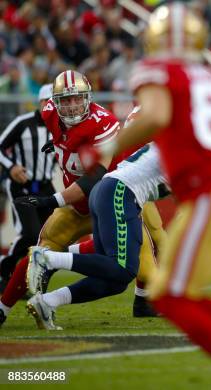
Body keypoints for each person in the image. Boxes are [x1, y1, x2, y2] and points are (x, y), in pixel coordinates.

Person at [79, 4, 211, 389]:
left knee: (169, 299)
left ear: (153, 40)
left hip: (206, 197)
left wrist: (105, 151)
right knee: (172, 291)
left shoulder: (158, 72)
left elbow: (153, 116)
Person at [0, 71, 155, 328]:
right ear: (55, 103)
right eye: (66, 100)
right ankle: (3, 308)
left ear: (89, 99)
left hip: (107, 200)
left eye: (77, 99)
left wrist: (52, 200)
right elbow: (45, 114)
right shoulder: (50, 112)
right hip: (77, 205)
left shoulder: (102, 123)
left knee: (142, 271)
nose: (72, 106)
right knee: (39, 253)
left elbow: (95, 177)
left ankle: (140, 300)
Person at [26, 141, 168, 330]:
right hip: (120, 191)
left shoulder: (178, 140)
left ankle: (47, 302)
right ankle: (46, 258)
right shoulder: (187, 144)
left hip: (109, 191)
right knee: (124, 268)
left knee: (115, 281)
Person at [0, 84, 56, 288]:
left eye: (55, 102)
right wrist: (11, 166)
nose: (52, 107)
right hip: (21, 185)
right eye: (48, 102)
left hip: (46, 186)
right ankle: (4, 270)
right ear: (40, 103)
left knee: (50, 236)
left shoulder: (61, 125)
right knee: (31, 234)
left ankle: (31, 280)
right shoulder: (22, 123)